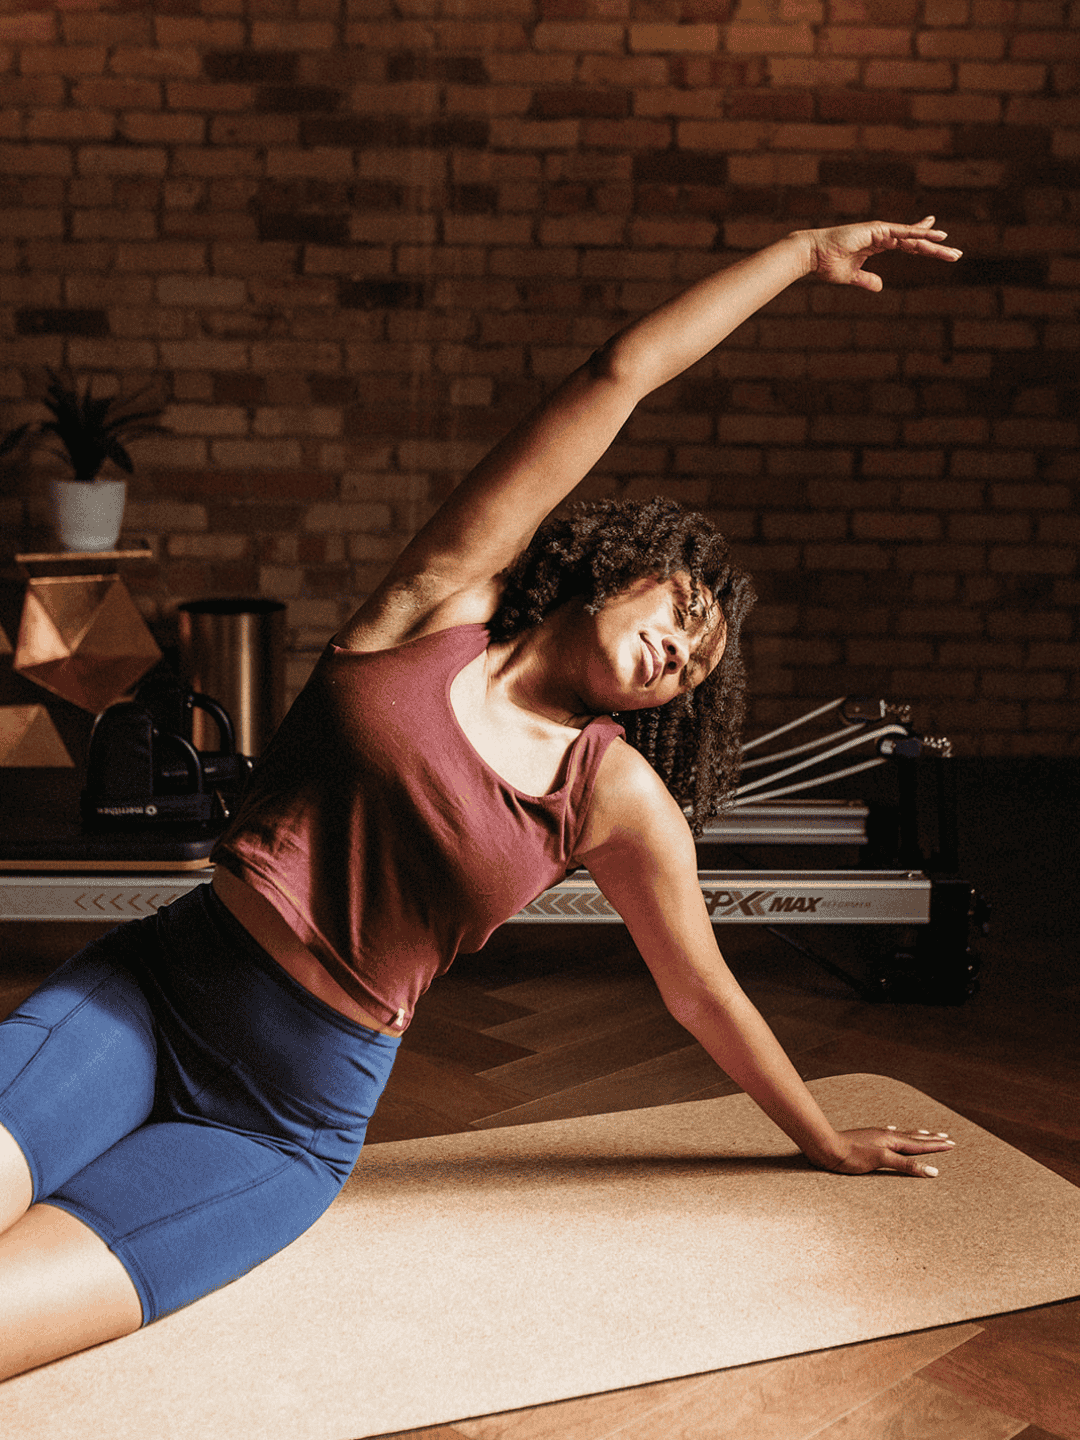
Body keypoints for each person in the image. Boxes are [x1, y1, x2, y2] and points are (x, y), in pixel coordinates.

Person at [0, 217, 962, 1380]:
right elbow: (617, 373)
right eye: (684, 611)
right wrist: (801, 257)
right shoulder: (438, 605)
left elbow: (700, 990)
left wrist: (819, 1139)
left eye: (702, 665)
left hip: (275, 1121)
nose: (682, 652)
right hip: (149, 995)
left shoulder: (614, 794)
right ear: (626, 565)